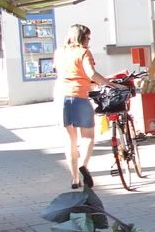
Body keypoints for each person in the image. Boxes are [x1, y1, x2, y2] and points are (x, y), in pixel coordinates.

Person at [53, 24, 127, 189]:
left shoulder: (59, 52)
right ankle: (83, 166)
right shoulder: (83, 52)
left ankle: (74, 179)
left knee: (69, 141)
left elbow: (65, 73)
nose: (89, 40)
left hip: (60, 98)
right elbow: (90, 73)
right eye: (88, 37)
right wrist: (109, 84)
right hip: (79, 97)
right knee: (87, 137)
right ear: (81, 37)